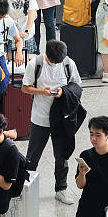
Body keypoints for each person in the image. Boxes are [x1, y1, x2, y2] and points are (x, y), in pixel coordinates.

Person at [22, 39, 82, 205]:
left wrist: (63, 92)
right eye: (53, 61)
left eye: (59, 61)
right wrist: (42, 91)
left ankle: (61, 189)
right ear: (47, 54)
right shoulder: (35, 64)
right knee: (32, 157)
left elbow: (77, 85)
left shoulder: (68, 64)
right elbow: (25, 88)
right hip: (40, 118)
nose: (56, 64)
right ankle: (24, 187)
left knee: (62, 157)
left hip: (61, 119)